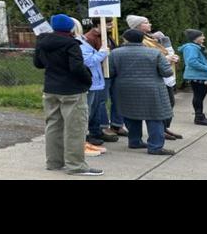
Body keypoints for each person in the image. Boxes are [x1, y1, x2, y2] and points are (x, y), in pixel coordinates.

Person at [34, 14, 101, 176]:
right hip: (72, 90)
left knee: (53, 126)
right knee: (75, 128)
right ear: (71, 27)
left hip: (50, 88)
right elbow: (76, 67)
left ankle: (54, 162)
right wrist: (88, 79)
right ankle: (76, 165)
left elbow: (38, 64)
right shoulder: (71, 44)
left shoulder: (42, 42)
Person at [109, 29, 175, 156]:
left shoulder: (115, 53)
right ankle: (155, 147)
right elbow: (167, 72)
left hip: (125, 88)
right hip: (152, 89)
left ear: (125, 39)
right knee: (155, 117)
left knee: (131, 115)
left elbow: (111, 72)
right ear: (142, 39)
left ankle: (134, 141)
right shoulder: (154, 53)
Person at [126, 15, 183, 140]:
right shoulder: (141, 41)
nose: (150, 24)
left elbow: (160, 52)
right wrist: (166, 59)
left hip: (161, 74)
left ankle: (163, 128)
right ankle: (159, 131)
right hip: (153, 76)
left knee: (169, 103)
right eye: (146, 22)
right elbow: (147, 57)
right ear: (138, 26)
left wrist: (170, 55)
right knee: (162, 105)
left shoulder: (150, 38)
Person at [72, 19, 113, 157]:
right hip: (90, 81)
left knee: (91, 110)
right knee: (86, 112)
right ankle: (81, 142)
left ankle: (84, 141)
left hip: (94, 81)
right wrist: (102, 53)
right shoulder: (79, 43)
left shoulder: (81, 40)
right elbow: (88, 61)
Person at [178, 29, 207, 127]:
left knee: (200, 96)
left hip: (200, 75)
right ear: (195, 38)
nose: (204, 37)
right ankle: (199, 117)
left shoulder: (197, 47)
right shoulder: (191, 48)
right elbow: (191, 61)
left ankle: (199, 116)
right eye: (202, 36)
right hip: (197, 75)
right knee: (199, 96)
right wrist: (206, 68)